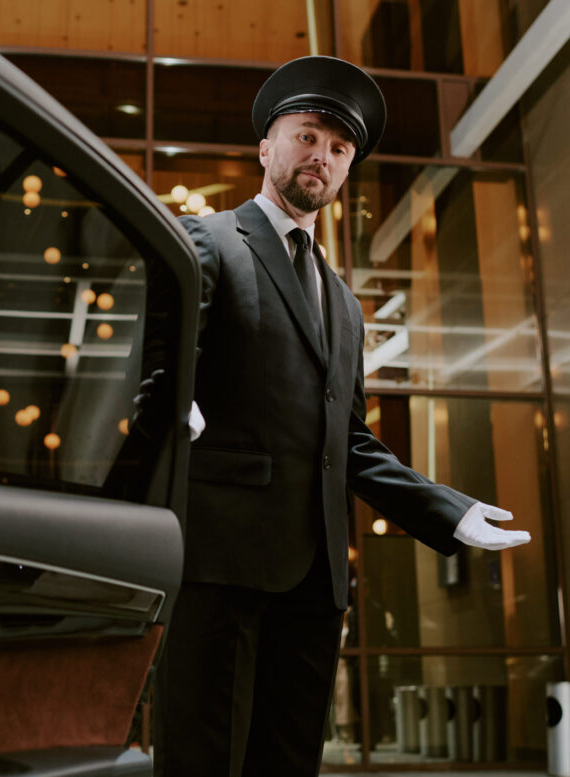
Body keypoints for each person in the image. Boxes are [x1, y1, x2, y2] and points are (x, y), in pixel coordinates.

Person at [152, 56, 531, 777]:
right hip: (220, 565)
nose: (319, 156)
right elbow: (160, 383)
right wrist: (174, 421)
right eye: (305, 136)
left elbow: (348, 441)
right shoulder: (205, 241)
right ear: (266, 147)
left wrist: (445, 510)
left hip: (314, 581)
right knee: (201, 762)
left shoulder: (345, 305)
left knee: (287, 763)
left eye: (337, 148)